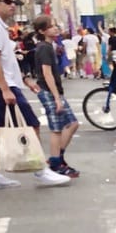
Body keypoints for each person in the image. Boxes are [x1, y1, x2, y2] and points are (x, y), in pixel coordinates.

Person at [0, 0, 70, 190]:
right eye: (7, 1)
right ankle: (39, 170)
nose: (12, 5)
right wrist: (6, 89)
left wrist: (24, 79)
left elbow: (5, 60)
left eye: (13, 2)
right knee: (31, 124)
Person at [33, 14, 80, 178]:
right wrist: (57, 98)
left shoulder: (47, 46)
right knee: (56, 129)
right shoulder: (44, 47)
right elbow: (47, 73)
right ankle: (55, 163)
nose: (55, 28)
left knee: (72, 124)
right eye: (51, 26)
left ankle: (57, 158)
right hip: (49, 92)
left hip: (53, 92)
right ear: (42, 31)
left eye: (55, 25)